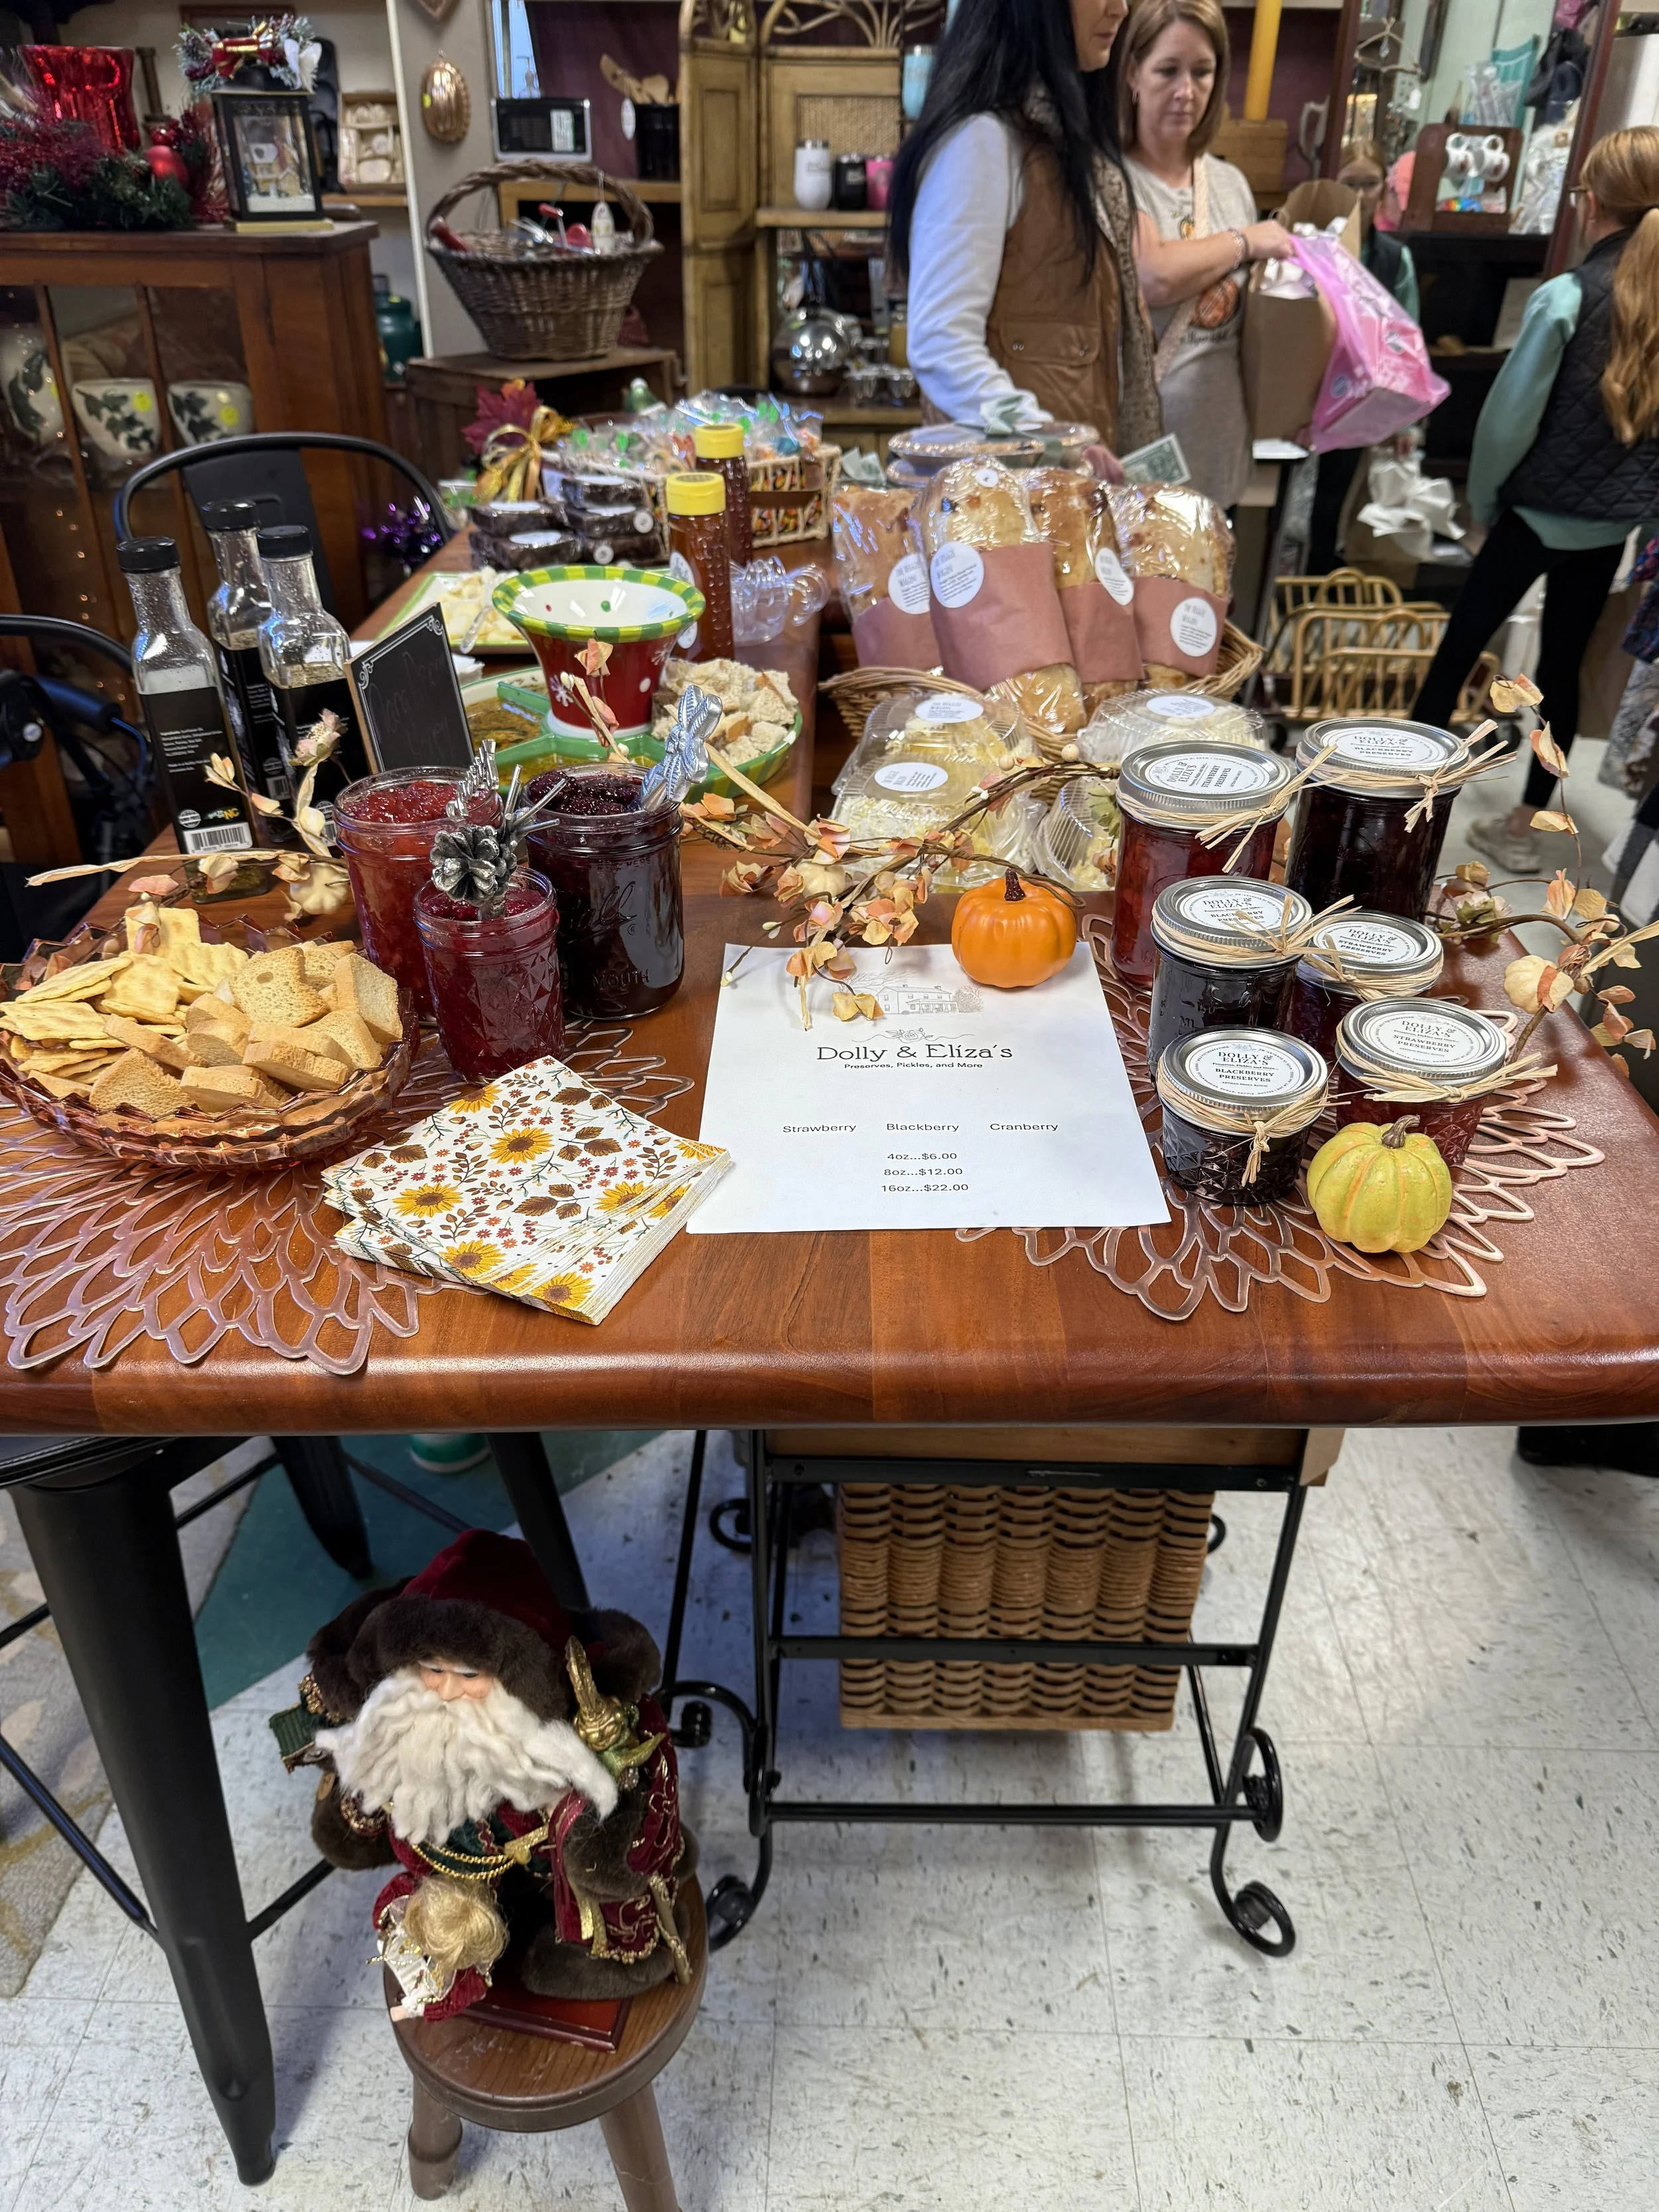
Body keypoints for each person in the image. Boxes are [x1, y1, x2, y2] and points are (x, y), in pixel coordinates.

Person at [1413, 125, 1659, 873]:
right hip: (1609, 526)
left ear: (1591, 206)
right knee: (1557, 672)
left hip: (1530, 513)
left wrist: (1483, 503)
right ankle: (1525, 825)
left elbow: (1506, 421)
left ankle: (1409, 797)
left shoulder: (1565, 296)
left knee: (1459, 649)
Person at [889, 0, 1163, 457]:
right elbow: (941, 339)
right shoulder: (983, 141)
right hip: (1007, 502)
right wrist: (1050, 439)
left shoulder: (1063, 144)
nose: (1121, 8)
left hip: (1054, 494)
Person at [1116, 0, 1294, 509]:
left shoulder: (1230, 184)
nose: (1185, 92)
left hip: (1219, 458)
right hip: (1137, 464)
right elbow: (1155, 275)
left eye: (1202, 72)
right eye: (1168, 70)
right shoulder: (1110, 176)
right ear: (1133, 73)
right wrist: (1245, 240)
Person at [1306, 137, 1421, 575]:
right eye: (1348, 184)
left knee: (1331, 503)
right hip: (1306, 388)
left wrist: (1404, 418)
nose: (1358, 195)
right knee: (1287, 498)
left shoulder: (1395, 259)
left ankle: (1311, 595)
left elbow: (1407, 339)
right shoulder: (1310, 245)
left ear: (1383, 186)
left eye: (1369, 184)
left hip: (1358, 395)